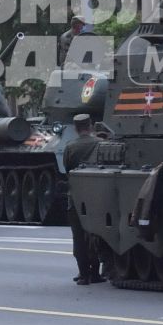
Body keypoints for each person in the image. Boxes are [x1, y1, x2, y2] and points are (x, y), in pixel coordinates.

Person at [63, 114, 102, 284]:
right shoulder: (100, 143)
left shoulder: (70, 147)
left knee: (79, 237)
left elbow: (67, 169)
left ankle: (84, 273)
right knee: (95, 235)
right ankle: (96, 273)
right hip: (98, 195)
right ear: (91, 125)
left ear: (76, 128)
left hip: (76, 196)